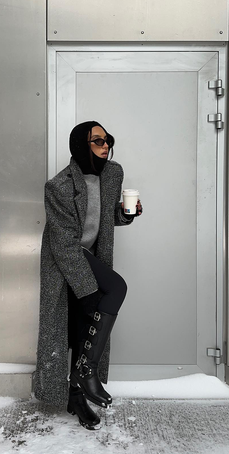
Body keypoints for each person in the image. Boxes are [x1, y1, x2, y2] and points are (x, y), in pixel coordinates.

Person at [34, 121, 142, 430]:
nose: (105, 145)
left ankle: (78, 391)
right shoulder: (58, 186)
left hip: (90, 257)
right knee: (113, 290)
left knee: (84, 326)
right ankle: (84, 374)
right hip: (64, 259)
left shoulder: (111, 176)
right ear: (81, 145)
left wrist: (125, 214)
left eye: (108, 139)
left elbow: (104, 219)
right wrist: (88, 288)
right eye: (97, 141)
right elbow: (65, 243)